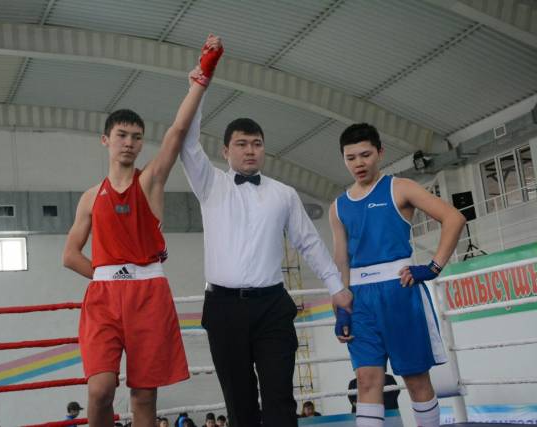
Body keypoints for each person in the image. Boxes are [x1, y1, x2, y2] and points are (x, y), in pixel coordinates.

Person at [62, 35, 224, 427]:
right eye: (122, 135)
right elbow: (69, 255)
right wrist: (108, 275)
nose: (130, 143)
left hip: (148, 294)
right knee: (99, 390)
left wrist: (202, 77)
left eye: (136, 137)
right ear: (106, 140)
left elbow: (177, 131)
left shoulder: (149, 181)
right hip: (104, 297)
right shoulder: (90, 197)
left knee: (144, 397)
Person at [179, 67, 353, 427]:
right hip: (224, 308)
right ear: (225, 150)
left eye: (257, 143)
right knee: (239, 404)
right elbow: (187, 142)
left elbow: (309, 242)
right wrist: (199, 88)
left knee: (280, 400)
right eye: (241, 144)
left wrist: (336, 287)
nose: (250, 150)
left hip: (272, 307)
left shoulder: (283, 194)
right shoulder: (210, 183)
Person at [329, 123, 466, 427]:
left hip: (399, 291)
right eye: (351, 158)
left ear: (380, 152)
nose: (359, 163)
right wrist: (340, 307)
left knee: (415, 379)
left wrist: (433, 267)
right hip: (359, 300)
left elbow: (454, 218)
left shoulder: (400, 187)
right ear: (343, 159)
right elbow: (341, 260)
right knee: (366, 381)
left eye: (365, 155)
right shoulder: (338, 207)